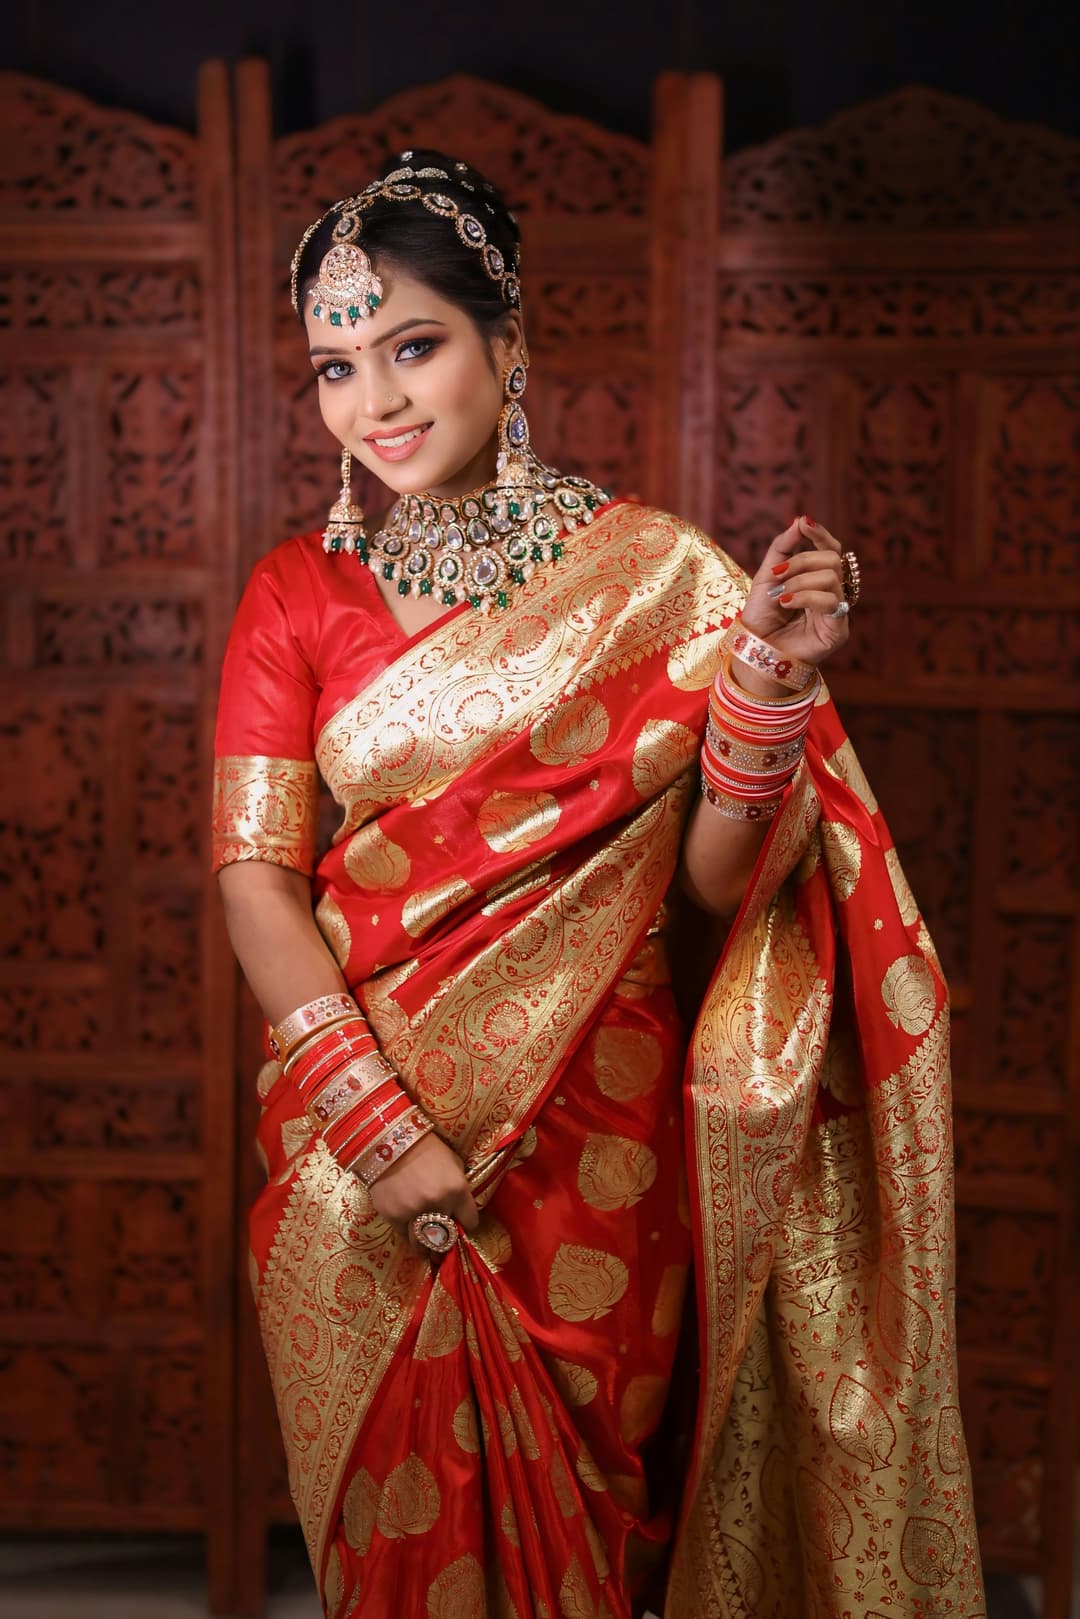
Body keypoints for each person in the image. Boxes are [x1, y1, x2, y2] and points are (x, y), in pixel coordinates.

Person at [212, 151, 985, 1619]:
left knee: (592, 1528)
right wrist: (378, 1133)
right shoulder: (294, 598)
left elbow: (707, 892)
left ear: (509, 345)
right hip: (355, 1152)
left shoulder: (664, 585)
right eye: (334, 365)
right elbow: (255, 882)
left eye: (413, 346)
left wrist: (761, 688)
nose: (372, 401)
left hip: (590, 1143)